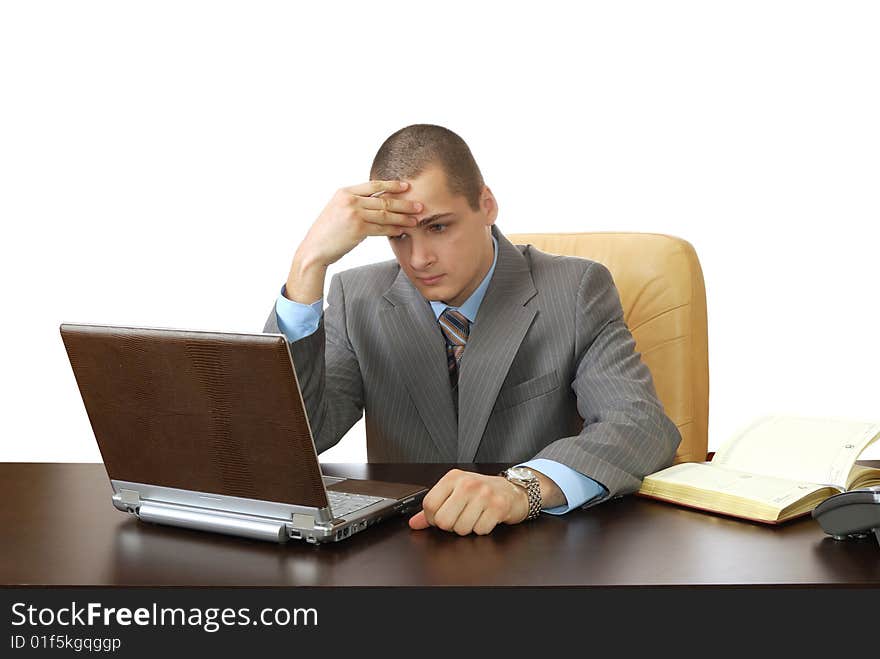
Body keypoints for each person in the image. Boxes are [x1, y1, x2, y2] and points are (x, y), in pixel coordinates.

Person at [264, 124, 681, 536]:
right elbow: (293, 441)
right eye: (399, 236)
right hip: (403, 552)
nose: (419, 258)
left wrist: (524, 489)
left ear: (487, 204)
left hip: (537, 551)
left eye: (438, 227)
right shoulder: (357, 297)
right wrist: (308, 265)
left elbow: (639, 425)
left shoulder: (575, 290)